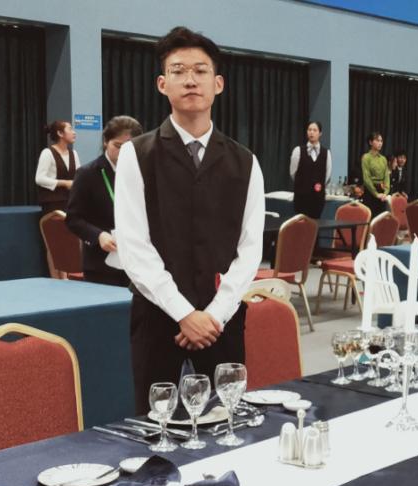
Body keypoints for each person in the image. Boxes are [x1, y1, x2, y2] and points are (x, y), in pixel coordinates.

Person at [113, 26, 264, 413]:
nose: (190, 80)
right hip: (157, 318)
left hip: (221, 321)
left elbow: (250, 249)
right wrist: (183, 313)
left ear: (218, 84)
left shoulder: (245, 161)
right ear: (162, 84)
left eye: (200, 70)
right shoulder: (136, 154)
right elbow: (133, 245)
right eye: (178, 71)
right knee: (155, 428)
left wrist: (213, 315)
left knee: (226, 424)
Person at [65, 115, 143, 287]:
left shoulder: (143, 171)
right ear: (106, 142)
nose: (123, 152)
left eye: (130, 147)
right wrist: (98, 235)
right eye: (118, 146)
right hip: (102, 265)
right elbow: (73, 219)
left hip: (139, 262)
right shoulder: (87, 174)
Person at [36, 120, 81, 214]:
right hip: (53, 202)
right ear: (60, 133)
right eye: (70, 129)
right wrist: (64, 183)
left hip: (71, 201)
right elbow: (39, 179)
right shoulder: (47, 153)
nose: (74, 132)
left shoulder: (74, 153)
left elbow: (78, 176)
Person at [289, 120, 331, 219]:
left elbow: (327, 175)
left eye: (315, 130)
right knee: (301, 223)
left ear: (320, 133)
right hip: (301, 197)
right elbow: (293, 173)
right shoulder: (298, 150)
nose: (311, 132)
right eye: (309, 130)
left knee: (315, 224)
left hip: (318, 198)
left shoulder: (326, 153)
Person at [360, 131, 389, 214]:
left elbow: (386, 177)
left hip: (382, 191)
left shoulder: (383, 159)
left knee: (381, 217)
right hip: (370, 191)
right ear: (370, 142)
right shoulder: (366, 157)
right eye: (377, 140)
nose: (380, 143)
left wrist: (385, 192)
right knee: (370, 216)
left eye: (381, 141)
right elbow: (366, 178)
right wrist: (376, 194)